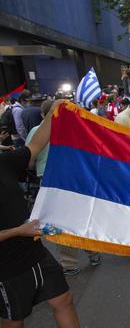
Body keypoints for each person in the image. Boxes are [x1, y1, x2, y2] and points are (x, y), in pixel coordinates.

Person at [1, 99, 81, 328]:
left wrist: (54, 112)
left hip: (35, 252)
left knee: (64, 299)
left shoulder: (3, 162)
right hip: (6, 267)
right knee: (14, 322)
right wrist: (19, 230)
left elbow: (35, 145)